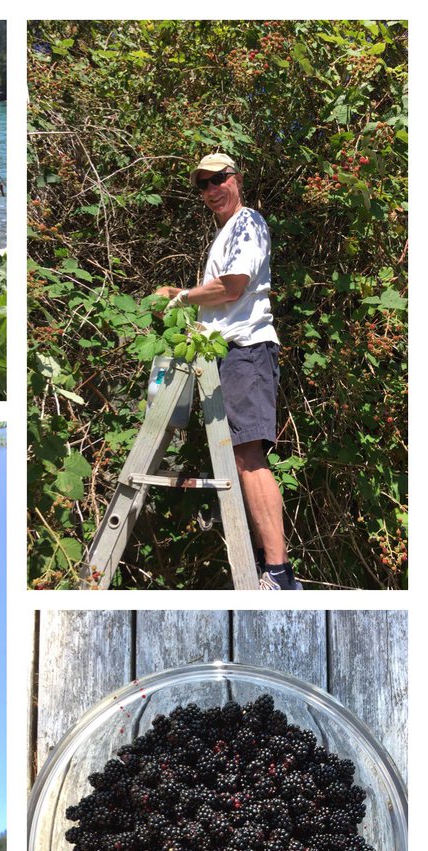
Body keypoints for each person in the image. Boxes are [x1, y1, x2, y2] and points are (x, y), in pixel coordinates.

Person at [155, 152, 301, 590]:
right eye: (203, 184)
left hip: (247, 350)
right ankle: (267, 567)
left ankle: (279, 573)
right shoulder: (226, 233)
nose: (212, 189)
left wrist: (183, 297)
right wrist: (186, 298)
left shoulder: (248, 222)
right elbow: (224, 292)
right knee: (240, 458)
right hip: (226, 354)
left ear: (236, 179)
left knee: (249, 458)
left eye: (218, 179)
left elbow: (233, 285)